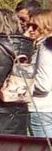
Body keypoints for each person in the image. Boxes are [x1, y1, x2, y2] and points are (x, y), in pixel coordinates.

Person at [29, 9, 52, 138]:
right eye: (28, 25)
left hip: (41, 108)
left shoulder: (45, 47)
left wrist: (22, 87)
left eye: (35, 26)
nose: (30, 30)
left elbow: (44, 84)